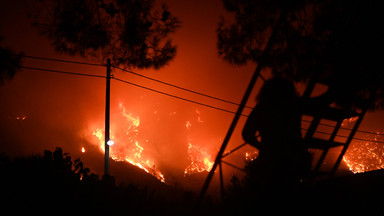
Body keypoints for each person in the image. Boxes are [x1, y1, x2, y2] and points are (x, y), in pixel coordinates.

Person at [242, 77, 311, 198]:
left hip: (271, 161)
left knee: (270, 196)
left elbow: (246, 133)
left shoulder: (262, 108)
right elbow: (317, 102)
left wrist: (261, 146)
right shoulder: (294, 106)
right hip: (295, 159)